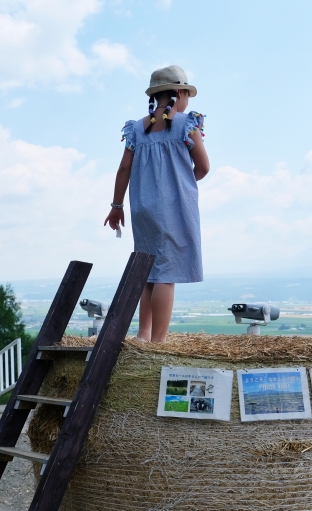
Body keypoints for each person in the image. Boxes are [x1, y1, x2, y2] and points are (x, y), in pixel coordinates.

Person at [105, 65, 210, 343]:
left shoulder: (138, 129)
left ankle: (143, 334)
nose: (188, 100)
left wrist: (117, 206)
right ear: (179, 92)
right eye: (187, 93)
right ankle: (159, 341)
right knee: (167, 272)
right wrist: (184, 186)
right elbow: (203, 167)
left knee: (148, 270)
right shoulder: (187, 124)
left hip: (142, 208)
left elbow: (123, 170)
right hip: (173, 208)